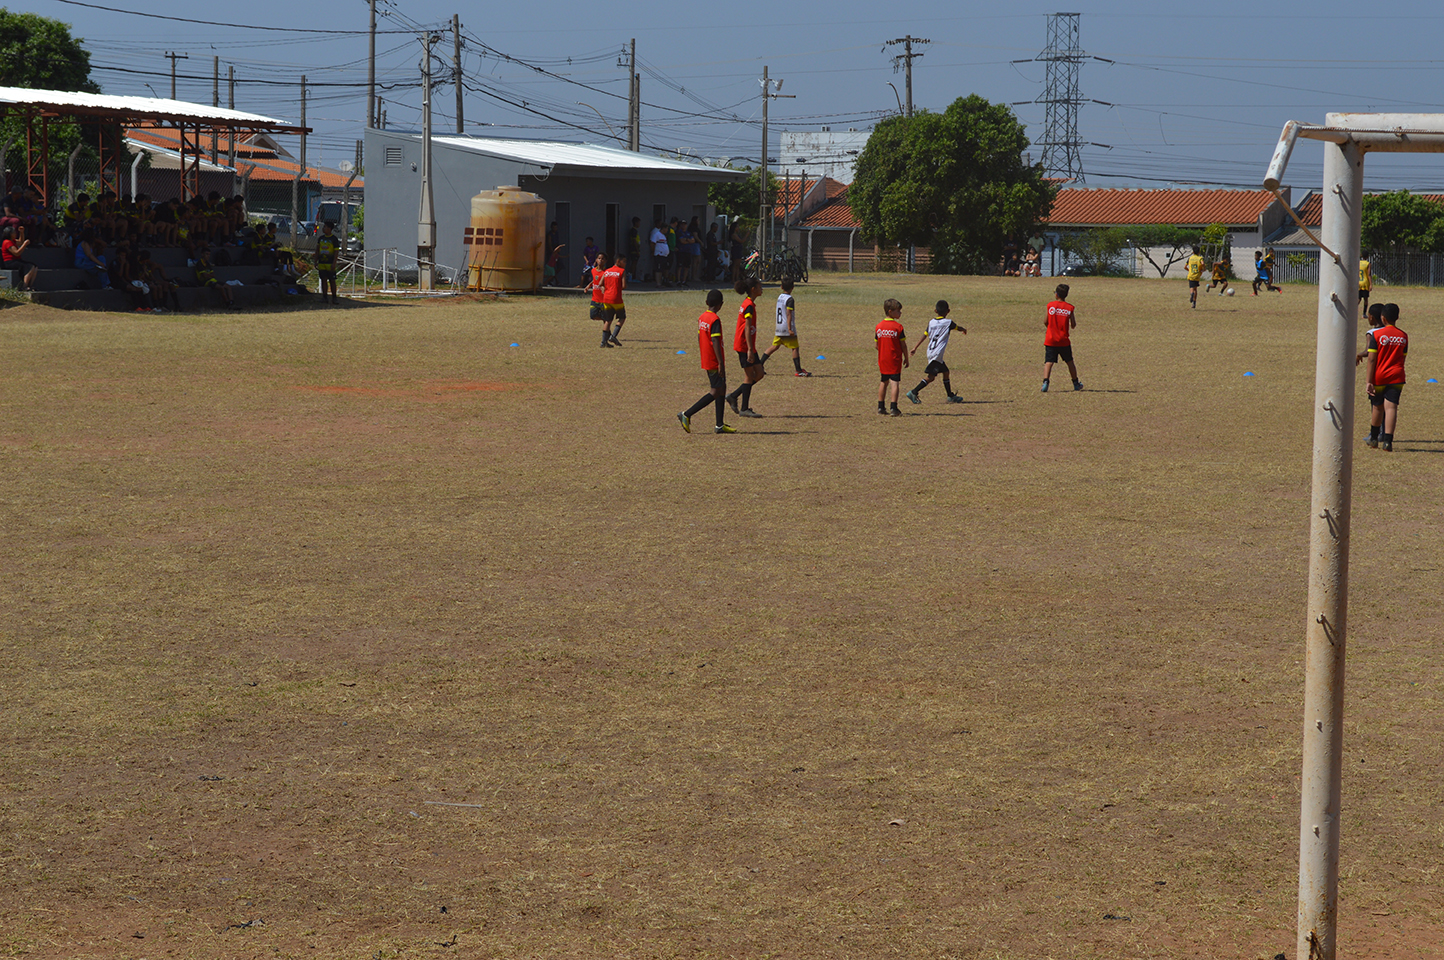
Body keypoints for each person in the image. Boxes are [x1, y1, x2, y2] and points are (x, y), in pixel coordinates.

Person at [677, 288, 736, 435]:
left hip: (707, 357)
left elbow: (700, 337)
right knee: (715, 391)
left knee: (722, 387)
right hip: (714, 359)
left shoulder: (702, 317)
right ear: (721, 304)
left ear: (706, 302)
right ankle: (686, 414)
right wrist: (720, 362)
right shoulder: (714, 319)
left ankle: (719, 424)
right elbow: (715, 340)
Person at [1362, 302, 1407, 452]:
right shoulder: (1403, 336)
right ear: (1397, 317)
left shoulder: (1377, 335)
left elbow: (1371, 359)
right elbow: (1402, 358)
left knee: (1377, 407)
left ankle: (1374, 439)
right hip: (1397, 376)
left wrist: (1368, 381)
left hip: (1380, 376)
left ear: (1383, 318)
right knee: (1391, 407)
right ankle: (1388, 442)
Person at [906, 300, 966, 404]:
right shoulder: (948, 323)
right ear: (948, 311)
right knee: (931, 377)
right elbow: (958, 328)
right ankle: (913, 392)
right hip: (937, 355)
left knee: (946, 372)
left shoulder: (931, 322)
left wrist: (915, 347)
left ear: (935, 311)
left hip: (931, 352)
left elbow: (925, 335)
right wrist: (963, 329)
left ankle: (950, 396)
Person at [724, 276, 766, 417]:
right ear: (753, 289)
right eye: (759, 287)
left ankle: (733, 396)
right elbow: (747, 328)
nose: (762, 289)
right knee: (749, 376)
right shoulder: (748, 306)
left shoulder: (749, 303)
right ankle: (744, 409)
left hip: (749, 345)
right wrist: (749, 349)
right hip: (744, 346)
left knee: (759, 374)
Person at [762, 277, 811, 376]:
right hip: (786, 327)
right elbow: (788, 314)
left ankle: (759, 365)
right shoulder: (790, 299)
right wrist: (789, 329)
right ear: (793, 288)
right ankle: (798, 371)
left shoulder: (780, 297)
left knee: (774, 346)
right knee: (795, 348)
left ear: (781, 287)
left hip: (779, 327)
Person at [1042, 283, 1083, 393]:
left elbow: (1045, 321)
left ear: (1056, 294)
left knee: (1049, 361)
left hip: (1050, 339)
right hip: (1063, 340)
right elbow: (1073, 325)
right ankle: (1076, 383)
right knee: (1069, 361)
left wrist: (1051, 328)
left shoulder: (1050, 306)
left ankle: (1045, 382)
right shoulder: (1069, 308)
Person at [875, 298, 908, 416]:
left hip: (883, 359)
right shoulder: (898, 327)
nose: (900, 313)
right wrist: (906, 357)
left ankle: (881, 407)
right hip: (894, 359)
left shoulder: (879, 326)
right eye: (898, 311)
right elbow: (903, 345)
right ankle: (893, 408)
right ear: (890, 311)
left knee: (883, 381)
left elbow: (876, 345)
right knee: (895, 382)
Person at [600, 255, 627, 346]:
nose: (625, 264)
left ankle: (603, 342)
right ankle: (613, 336)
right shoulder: (621, 271)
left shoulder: (607, 271)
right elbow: (624, 286)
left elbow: (600, 283)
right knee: (622, 317)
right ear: (618, 261)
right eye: (624, 261)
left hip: (606, 298)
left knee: (608, 320)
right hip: (616, 298)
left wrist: (606, 288)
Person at [1, 226, 37, 291]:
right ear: (10, 234)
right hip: (10, 262)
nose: (15, 234)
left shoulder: (13, 241)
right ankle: (24, 286)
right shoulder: (7, 242)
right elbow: (17, 253)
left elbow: (20, 242)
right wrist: (24, 245)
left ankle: (30, 285)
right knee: (29, 267)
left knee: (35, 267)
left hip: (16, 260)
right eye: (14, 232)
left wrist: (21, 233)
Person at [315, 221, 341, 304]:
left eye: (325, 227)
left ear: (330, 229)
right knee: (323, 280)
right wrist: (315, 261)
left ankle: (334, 297)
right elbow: (317, 250)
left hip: (330, 263)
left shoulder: (334, 239)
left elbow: (336, 252)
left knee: (332, 280)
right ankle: (324, 297)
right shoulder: (321, 238)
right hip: (322, 263)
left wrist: (334, 263)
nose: (323, 228)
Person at [589, 252, 610, 346]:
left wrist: (605, 288)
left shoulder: (606, 272)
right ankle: (608, 334)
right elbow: (595, 280)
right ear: (596, 260)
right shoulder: (593, 270)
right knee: (593, 315)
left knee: (606, 321)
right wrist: (588, 286)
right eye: (599, 258)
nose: (600, 260)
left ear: (605, 261)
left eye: (602, 259)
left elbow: (608, 283)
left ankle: (605, 340)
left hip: (604, 299)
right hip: (595, 298)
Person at [650, 219, 670, 287]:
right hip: (659, 254)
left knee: (663, 268)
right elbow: (652, 243)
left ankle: (663, 281)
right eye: (666, 228)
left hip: (664, 255)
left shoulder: (663, 236)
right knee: (658, 269)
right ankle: (658, 283)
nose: (667, 230)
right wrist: (653, 251)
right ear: (663, 228)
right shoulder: (657, 234)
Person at [729, 219, 747, 284]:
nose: (738, 228)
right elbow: (741, 241)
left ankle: (737, 278)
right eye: (737, 227)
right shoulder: (734, 235)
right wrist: (746, 235)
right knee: (735, 265)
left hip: (739, 249)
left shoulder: (737, 234)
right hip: (736, 250)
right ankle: (733, 279)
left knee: (738, 265)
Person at [626, 217, 642, 281]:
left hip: (635, 249)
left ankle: (633, 277)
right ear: (635, 223)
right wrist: (637, 250)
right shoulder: (633, 231)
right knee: (634, 263)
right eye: (639, 223)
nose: (639, 224)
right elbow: (634, 241)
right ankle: (631, 277)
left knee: (635, 263)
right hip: (634, 249)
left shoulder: (635, 230)